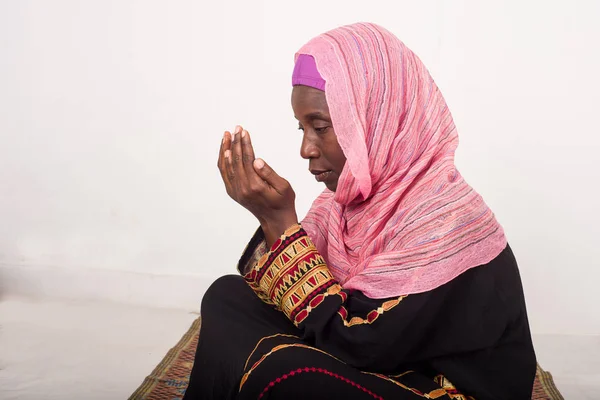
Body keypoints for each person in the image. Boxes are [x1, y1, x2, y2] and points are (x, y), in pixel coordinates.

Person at [183, 22, 536, 400]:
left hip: (441, 388)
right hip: (387, 358)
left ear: (376, 122)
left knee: (283, 372)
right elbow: (302, 306)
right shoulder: (343, 205)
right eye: (301, 128)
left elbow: (358, 341)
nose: (306, 148)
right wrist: (272, 222)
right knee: (226, 296)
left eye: (320, 127)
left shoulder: (443, 221)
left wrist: (279, 223)